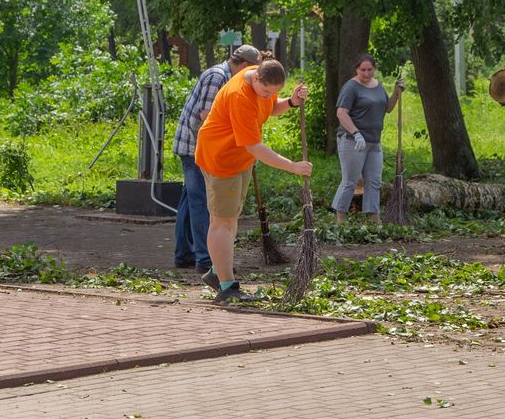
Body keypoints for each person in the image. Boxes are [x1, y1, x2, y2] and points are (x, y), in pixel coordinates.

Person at [195, 59, 312, 303]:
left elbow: (270, 108)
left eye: (275, 92)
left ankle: (217, 272)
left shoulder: (259, 80)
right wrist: (292, 166)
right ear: (256, 79)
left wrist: (291, 102)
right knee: (222, 221)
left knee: (230, 219)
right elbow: (256, 147)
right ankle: (227, 287)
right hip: (220, 159)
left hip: (239, 159)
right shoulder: (240, 96)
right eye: (267, 91)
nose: (270, 96)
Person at [172, 44, 260, 272]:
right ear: (243, 65)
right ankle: (205, 260)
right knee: (202, 202)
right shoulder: (217, 76)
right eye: (252, 71)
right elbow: (206, 116)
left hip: (195, 146)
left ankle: (183, 254)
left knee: (190, 203)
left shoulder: (224, 76)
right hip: (197, 149)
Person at [332, 53, 404, 224]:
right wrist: (356, 134)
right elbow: (341, 113)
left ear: (374, 69)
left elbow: (387, 108)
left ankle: (374, 219)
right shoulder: (351, 87)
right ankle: (340, 219)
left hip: (374, 141)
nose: (366, 73)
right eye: (362, 70)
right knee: (350, 181)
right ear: (357, 69)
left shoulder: (378, 86)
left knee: (374, 181)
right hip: (353, 141)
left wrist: (396, 93)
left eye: (369, 70)